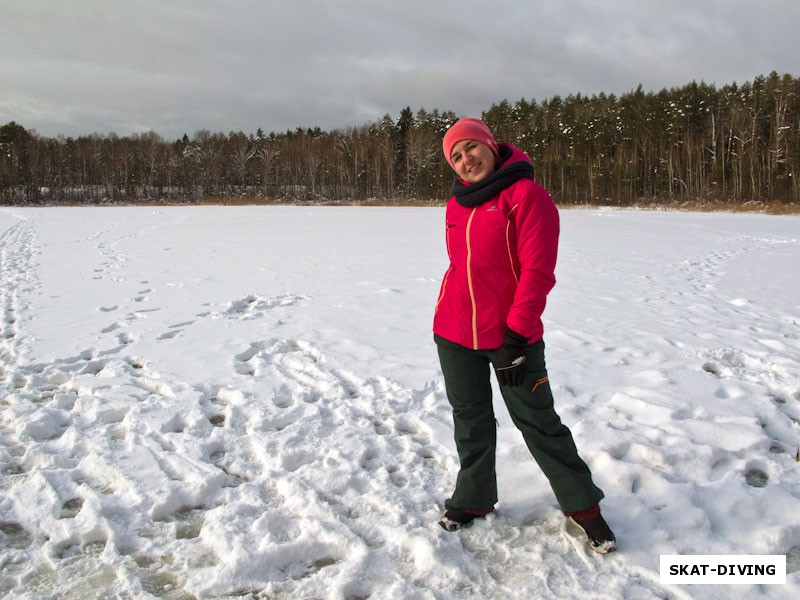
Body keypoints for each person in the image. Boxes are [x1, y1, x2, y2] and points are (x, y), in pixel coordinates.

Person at [433, 118, 616, 554]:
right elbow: (462, 268)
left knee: (538, 422)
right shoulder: (456, 205)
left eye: (471, 147)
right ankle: (474, 499)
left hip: (511, 337)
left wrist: (516, 337)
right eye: (456, 156)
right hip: (455, 332)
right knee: (470, 421)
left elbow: (537, 273)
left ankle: (583, 506)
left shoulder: (526, 196)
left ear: (491, 146)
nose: (465, 159)